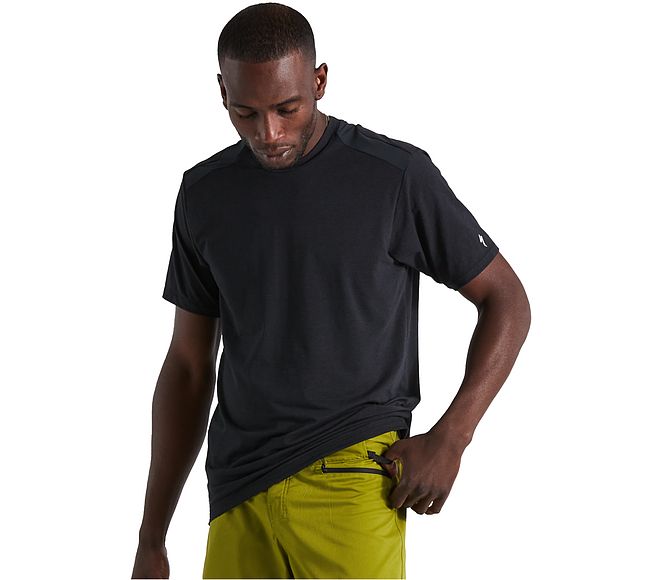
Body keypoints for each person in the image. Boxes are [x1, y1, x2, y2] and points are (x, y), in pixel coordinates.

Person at [131, 3, 531, 579]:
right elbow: (189, 367)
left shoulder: (393, 177)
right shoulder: (204, 193)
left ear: (319, 81)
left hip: (353, 476)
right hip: (239, 489)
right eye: (246, 112)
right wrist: (152, 536)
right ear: (222, 92)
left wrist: (452, 437)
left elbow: (506, 299)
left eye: (287, 108)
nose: (269, 133)